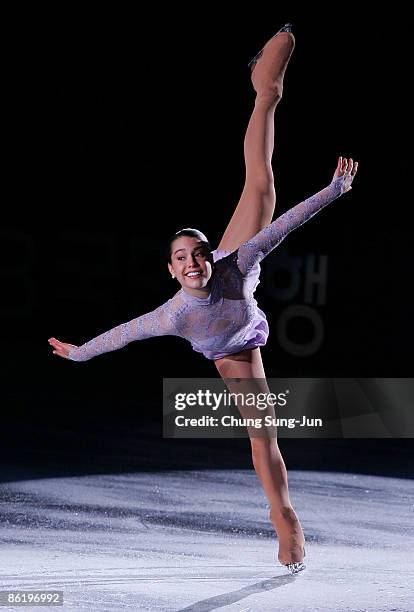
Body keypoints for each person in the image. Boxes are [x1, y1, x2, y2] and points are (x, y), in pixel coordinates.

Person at [48, 24, 358, 574]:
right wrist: (77, 353)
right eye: (182, 259)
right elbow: (121, 334)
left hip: (239, 297)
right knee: (261, 434)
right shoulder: (174, 312)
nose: (192, 262)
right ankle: (284, 514)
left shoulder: (234, 263)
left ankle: (266, 91)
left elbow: (286, 223)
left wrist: (333, 191)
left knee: (262, 188)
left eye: (198, 253)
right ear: (171, 270)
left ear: (209, 256)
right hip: (231, 348)